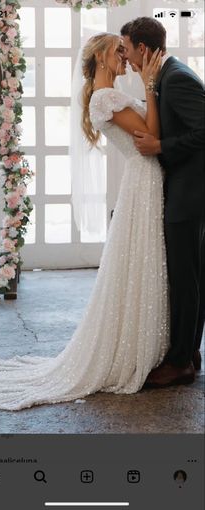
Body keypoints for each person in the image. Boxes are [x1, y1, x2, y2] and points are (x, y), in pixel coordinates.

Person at [0, 33, 169, 411]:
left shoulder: (107, 96)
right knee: (138, 262)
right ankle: (131, 352)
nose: (126, 59)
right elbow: (152, 136)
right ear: (101, 58)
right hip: (143, 180)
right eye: (119, 53)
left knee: (142, 263)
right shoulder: (105, 98)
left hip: (145, 181)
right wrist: (150, 86)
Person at [121, 17, 205, 387]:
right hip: (186, 188)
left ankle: (180, 363)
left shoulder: (177, 78)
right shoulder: (164, 77)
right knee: (192, 273)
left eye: (126, 48)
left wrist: (161, 146)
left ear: (142, 48)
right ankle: (189, 349)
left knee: (184, 277)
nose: (124, 55)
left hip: (191, 191)